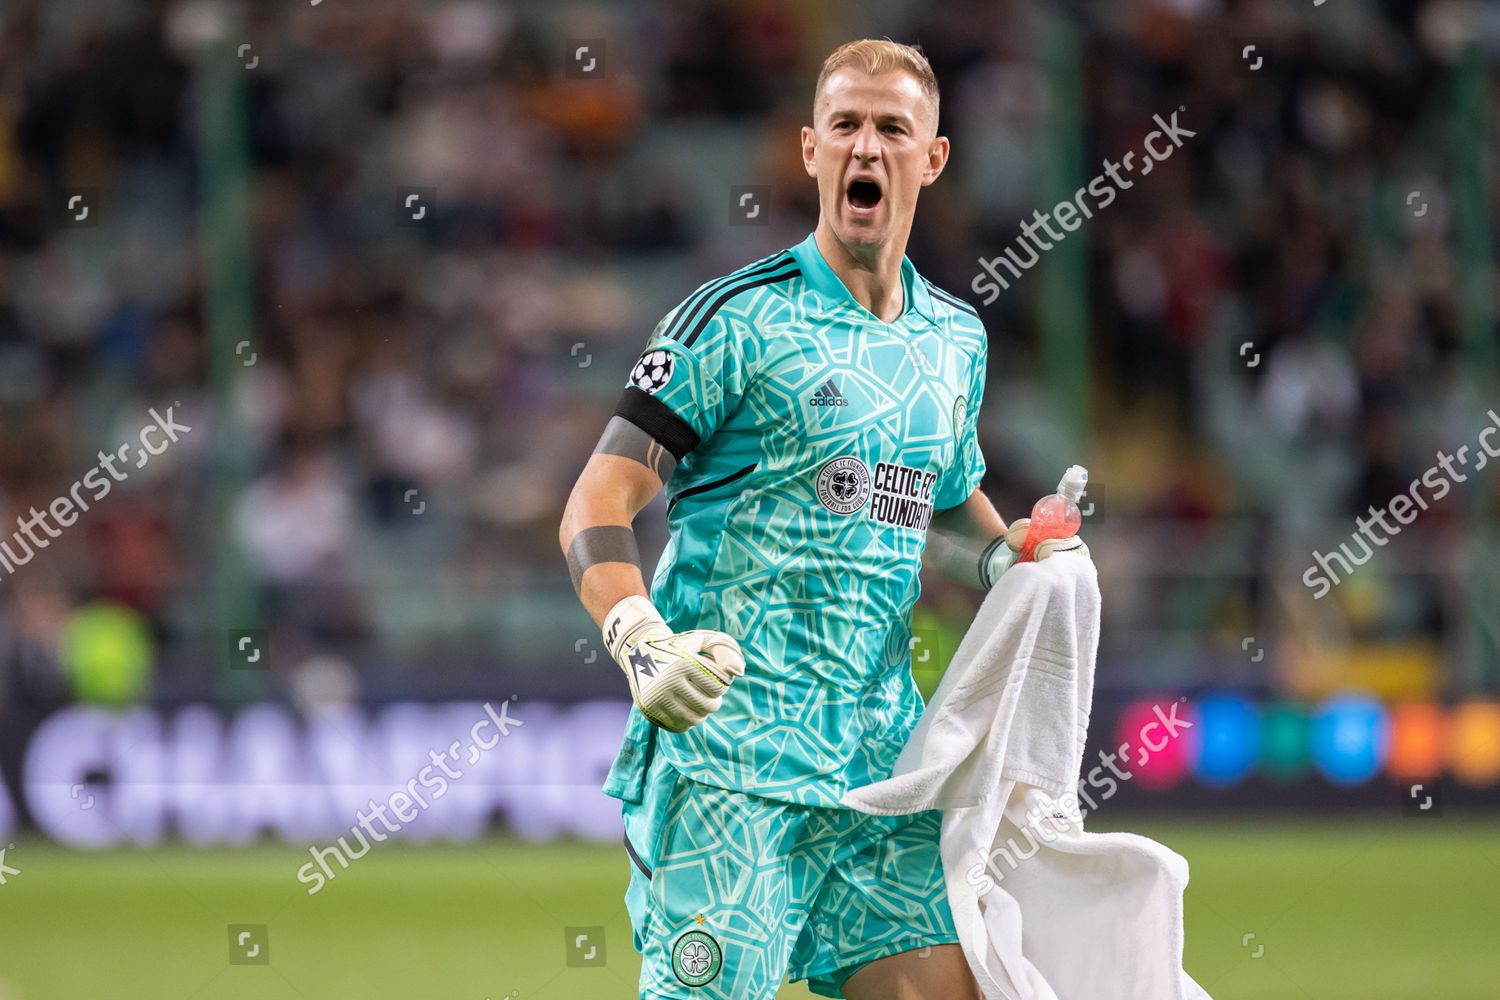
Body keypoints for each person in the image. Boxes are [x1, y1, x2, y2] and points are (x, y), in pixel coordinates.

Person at [559, 39, 1087, 1000]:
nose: (866, 150)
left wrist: (1014, 555)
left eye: (893, 129)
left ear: (933, 159)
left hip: (882, 771)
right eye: (845, 126)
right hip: (734, 764)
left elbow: (938, 504)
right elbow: (599, 498)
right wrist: (640, 639)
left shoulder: (954, 339)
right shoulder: (732, 321)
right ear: (810, 152)